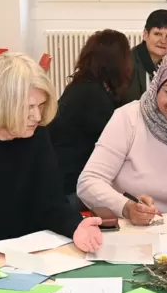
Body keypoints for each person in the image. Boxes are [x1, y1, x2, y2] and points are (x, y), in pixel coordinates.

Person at [78, 48, 167, 226]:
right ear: (156, 87)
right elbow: (88, 182)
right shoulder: (128, 118)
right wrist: (126, 207)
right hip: (131, 230)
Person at [0, 52, 102, 253]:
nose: (37, 116)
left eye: (41, 105)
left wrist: (76, 225)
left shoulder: (36, 134)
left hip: (31, 251)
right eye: (28, 107)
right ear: (2, 103)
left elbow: (51, 202)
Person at [49, 29, 132, 212]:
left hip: (62, 180)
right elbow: (118, 145)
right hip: (72, 189)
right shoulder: (93, 96)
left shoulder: (83, 85)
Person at [122, 9, 167, 104]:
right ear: (145, 34)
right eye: (157, 34)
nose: (163, 41)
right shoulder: (127, 63)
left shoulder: (166, 66)